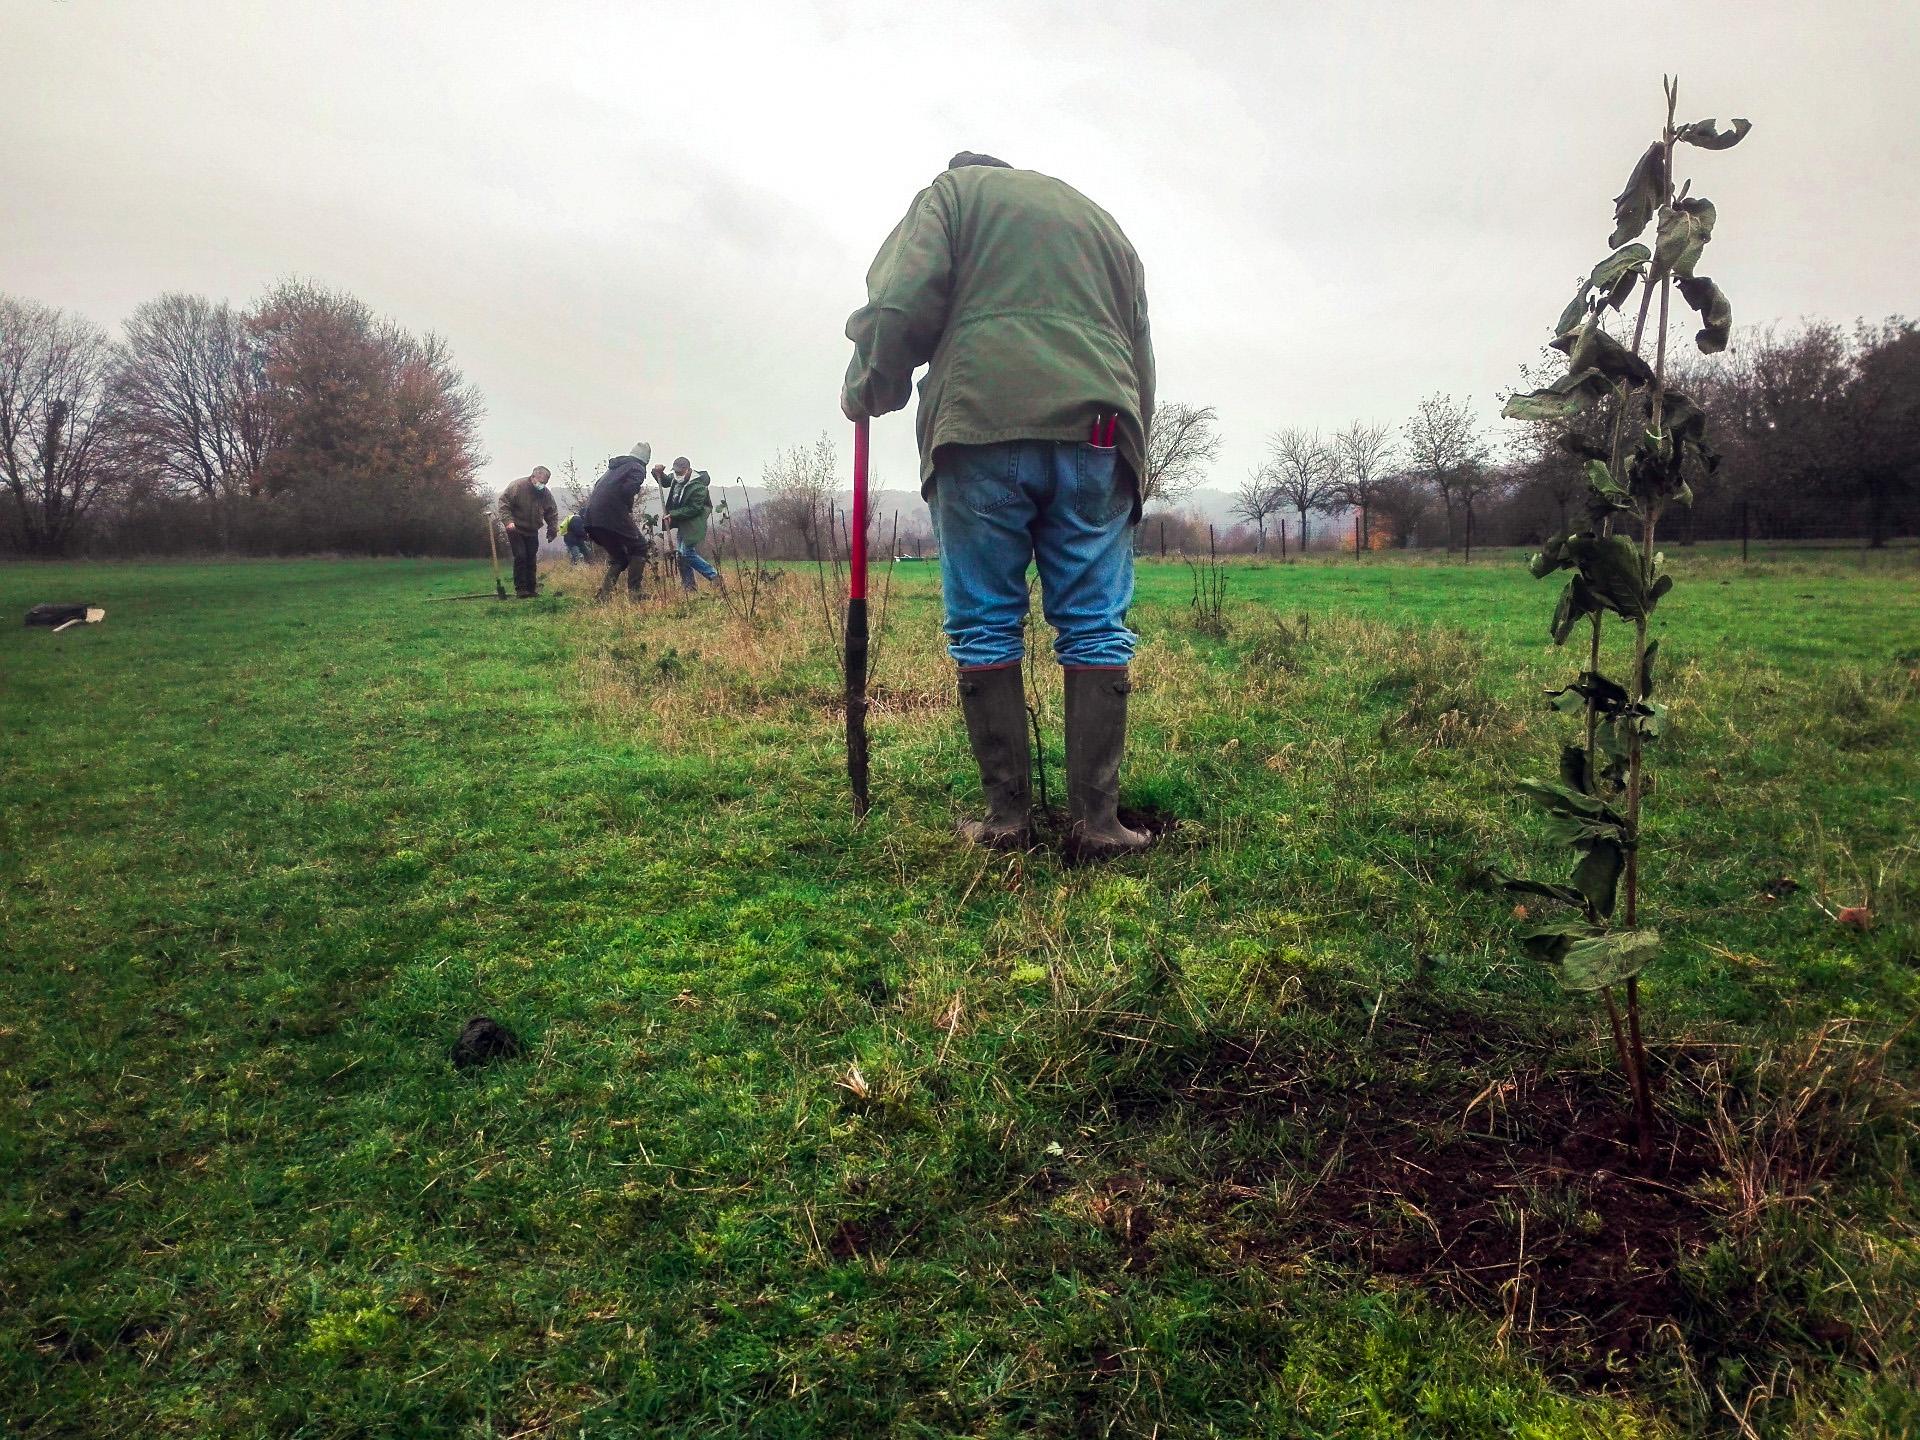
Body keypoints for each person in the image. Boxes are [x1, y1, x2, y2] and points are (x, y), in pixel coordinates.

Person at [841, 152, 1155, 860]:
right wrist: (1134, 456)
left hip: (979, 422)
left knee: (985, 622)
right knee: (1096, 625)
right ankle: (1097, 825)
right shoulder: (1101, 221)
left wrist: (872, 383)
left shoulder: (953, 195)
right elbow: (1140, 357)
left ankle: (1008, 821)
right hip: (1099, 429)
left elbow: (899, 302)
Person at [580, 443, 655, 600]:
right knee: (640, 547)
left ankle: (605, 595)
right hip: (610, 514)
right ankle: (635, 593)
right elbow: (628, 489)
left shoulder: (614, 468)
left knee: (619, 557)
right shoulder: (637, 467)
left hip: (590, 517)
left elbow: (598, 485)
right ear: (646, 459)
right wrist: (627, 507)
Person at [651, 456, 721, 592]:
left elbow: (695, 508)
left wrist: (673, 514)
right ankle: (689, 587)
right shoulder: (676, 478)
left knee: (686, 553)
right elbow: (665, 481)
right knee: (681, 555)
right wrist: (657, 472)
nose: (676, 474)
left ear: (687, 469)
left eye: (679, 472)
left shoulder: (699, 486)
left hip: (694, 523)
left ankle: (714, 576)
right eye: (675, 471)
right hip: (683, 522)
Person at [497, 466, 558, 598]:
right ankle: (521, 589)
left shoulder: (545, 494)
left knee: (531, 557)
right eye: (541, 482)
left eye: (545, 483)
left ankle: (531, 589)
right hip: (516, 528)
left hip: (532, 529)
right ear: (533, 477)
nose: (542, 485)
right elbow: (503, 504)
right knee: (521, 556)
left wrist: (552, 530)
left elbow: (551, 512)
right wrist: (508, 522)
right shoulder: (517, 486)